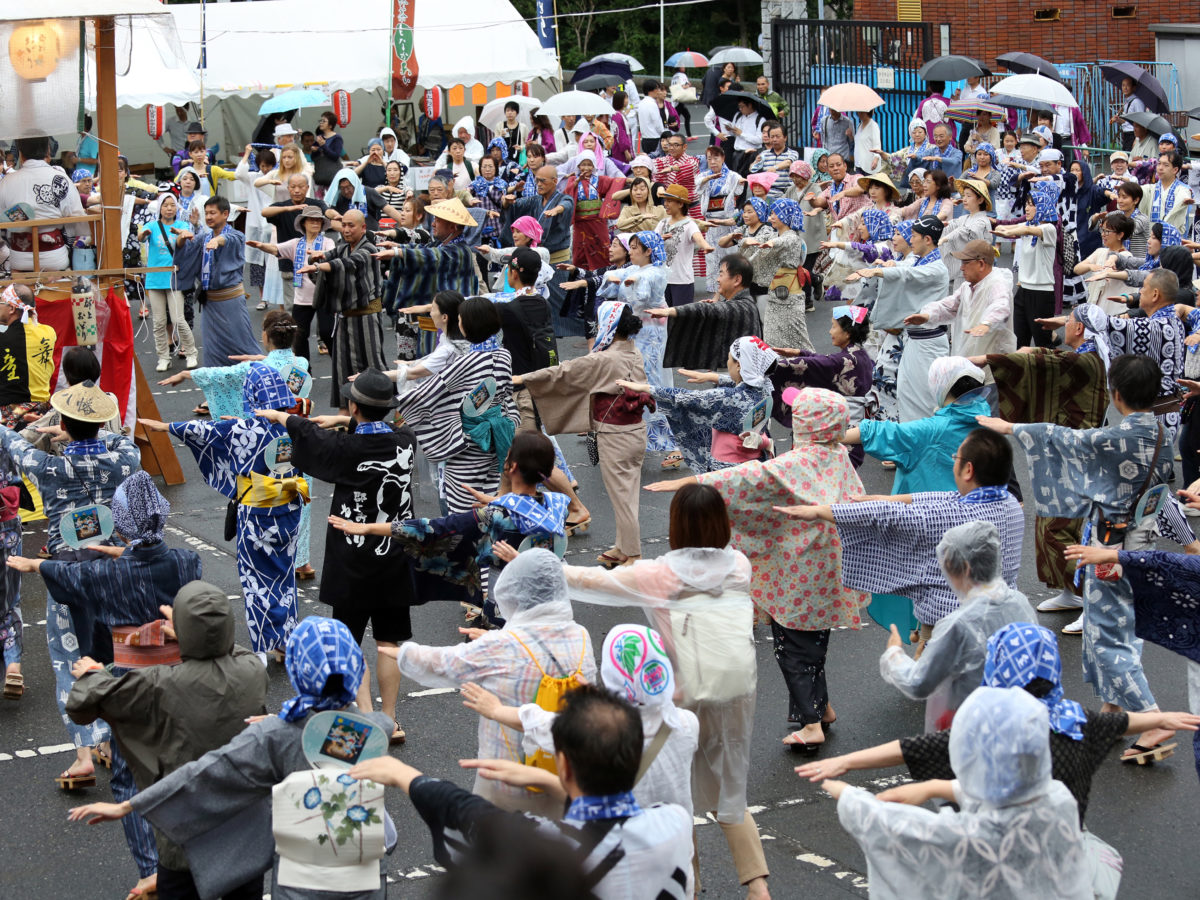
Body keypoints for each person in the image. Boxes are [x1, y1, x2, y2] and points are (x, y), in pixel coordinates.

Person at [69, 616, 396, 900]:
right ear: (356, 668)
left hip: (302, 883)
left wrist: (128, 806)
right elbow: (343, 728)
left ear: (298, 670)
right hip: (364, 875)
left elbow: (206, 774)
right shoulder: (373, 729)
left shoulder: (276, 736)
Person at [978, 355, 1199, 760]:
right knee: (1121, 630)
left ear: (1116, 395)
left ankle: (1153, 721)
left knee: (1105, 640)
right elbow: (1160, 494)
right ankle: (1114, 714)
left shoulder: (1114, 438)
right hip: (1140, 548)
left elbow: (1065, 440)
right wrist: (1186, 539)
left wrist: (1010, 427)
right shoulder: (1160, 434)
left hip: (1107, 551)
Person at [562, 485, 769, 900]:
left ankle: (687, 888)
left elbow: (591, 580)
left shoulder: (657, 574)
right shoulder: (740, 566)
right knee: (731, 785)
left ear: (675, 527)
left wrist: (534, 564)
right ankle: (757, 885)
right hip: (734, 689)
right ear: (721, 523)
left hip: (677, 696)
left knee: (676, 796)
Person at [353, 683, 694, 900]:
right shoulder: (675, 823)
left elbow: (469, 813)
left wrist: (404, 775)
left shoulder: (549, 849)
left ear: (565, 765)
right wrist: (548, 780)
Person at [59, 581, 268, 900]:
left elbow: (82, 705)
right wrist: (197, 631)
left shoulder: (159, 684)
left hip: (184, 838)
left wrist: (93, 674)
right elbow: (232, 651)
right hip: (243, 839)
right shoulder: (252, 671)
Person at [258, 369, 416, 742]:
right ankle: (391, 719)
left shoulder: (345, 449)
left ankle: (365, 717)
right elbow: (382, 429)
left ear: (353, 405)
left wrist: (283, 417)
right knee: (389, 642)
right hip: (395, 554)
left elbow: (309, 434)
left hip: (353, 559)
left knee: (350, 641)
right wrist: (347, 421)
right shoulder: (405, 442)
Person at [0, 380, 139, 790]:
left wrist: (59, 432)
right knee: (113, 656)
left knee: (68, 659)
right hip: (114, 569)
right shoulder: (124, 459)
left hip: (66, 573)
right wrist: (87, 428)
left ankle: (82, 755)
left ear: (62, 421)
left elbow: (13, 442)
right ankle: (113, 743)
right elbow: (118, 440)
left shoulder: (49, 467)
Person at [826, 687, 1091, 900]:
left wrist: (847, 795)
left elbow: (896, 826)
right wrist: (932, 787)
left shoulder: (973, 835)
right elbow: (1002, 793)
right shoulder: (1059, 798)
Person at [389, 549, 595, 814]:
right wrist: (491, 640)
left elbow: (445, 662)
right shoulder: (581, 635)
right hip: (567, 774)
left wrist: (400, 652)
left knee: (498, 845)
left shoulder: (500, 645)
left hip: (507, 776)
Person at [780, 427, 1024, 639]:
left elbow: (885, 515)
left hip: (949, 620)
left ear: (968, 470)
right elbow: (942, 498)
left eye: (955, 457)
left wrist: (821, 511)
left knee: (937, 684)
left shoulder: (948, 516)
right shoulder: (1011, 503)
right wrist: (889, 498)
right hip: (1001, 616)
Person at [141, 365, 310, 663]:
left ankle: (263, 646)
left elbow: (199, 430)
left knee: (257, 579)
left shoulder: (239, 430)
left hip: (257, 515)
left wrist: (162, 426)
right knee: (284, 575)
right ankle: (287, 639)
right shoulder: (296, 425)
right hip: (290, 509)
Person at [461, 621, 700, 818]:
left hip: (623, 843)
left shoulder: (600, 733)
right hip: (674, 846)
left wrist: (494, 709)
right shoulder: (686, 723)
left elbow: (540, 722)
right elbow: (640, 709)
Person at [970, 307, 1108, 618]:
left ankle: (1098, 598)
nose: (1065, 325)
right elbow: (1050, 357)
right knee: (1053, 524)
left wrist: (986, 360)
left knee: (1059, 529)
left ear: (1081, 329)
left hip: (1073, 453)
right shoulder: (1089, 350)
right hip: (1061, 451)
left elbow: (1048, 361)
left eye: (1069, 321)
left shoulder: (1087, 358)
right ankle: (1070, 591)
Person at [518, 302, 648, 566]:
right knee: (627, 494)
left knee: (622, 497)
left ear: (607, 326)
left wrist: (525, 379)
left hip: (615, 434)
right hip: (635, 431)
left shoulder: (603, 358)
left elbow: (564, 372)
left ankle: (632, 555)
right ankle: (622, 546)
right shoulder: (633, 352)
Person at [876, 521, 1035, 730]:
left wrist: (894, 654)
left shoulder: (958, 625)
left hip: (973, 730)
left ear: (964, 568)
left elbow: (918, 683)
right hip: (1019, 721)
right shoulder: (1019, 601)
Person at [393, 296, 519, 513]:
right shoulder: (503, 354)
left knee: (464, 507)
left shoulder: (465, 361)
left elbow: (430, 392)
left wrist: (398, 401)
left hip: (468, 444)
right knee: (491, 500)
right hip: (499, 437)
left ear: (466, 325)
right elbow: (506, 392)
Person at [619, 336, 777, 476]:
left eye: (730, 358)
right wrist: (713, 377)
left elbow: (685, 397)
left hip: (726, 471)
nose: (727, 362)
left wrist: (647, 389)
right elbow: (743, 383)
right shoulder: (765, 387)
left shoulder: (729, 397)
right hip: (756, 464)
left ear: (739, 366)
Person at [849, 214, 949, 425]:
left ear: (927, 239)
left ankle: (925, 444)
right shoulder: (918, 260)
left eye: (913, 236)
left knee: (923, 396)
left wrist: (879, 270)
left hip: (929, 341)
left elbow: (908, 275)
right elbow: (904, 268)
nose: (910, 240)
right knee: (905, 391)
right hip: (913, 339)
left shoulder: (936, 268)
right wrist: (887, 266)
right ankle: (909, 443)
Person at [596, 231, 679, 461]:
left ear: (648, 251)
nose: (630, 251)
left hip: (652, 332)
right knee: (634, 380)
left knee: (652, 382)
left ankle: (672, 442)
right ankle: (638, 438)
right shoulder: (634, 270)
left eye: (634, 247)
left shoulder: (657, 271)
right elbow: (615, 277)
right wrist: (618, 278)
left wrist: (628, 282)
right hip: (637, 332)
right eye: (630, 247)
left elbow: (641, 297)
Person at [302, 210, 388, 410]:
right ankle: (346, 417)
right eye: (344, 225)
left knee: (374, 368)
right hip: (344, 319)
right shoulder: (342, 248)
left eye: (352, 226)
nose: (346, 230)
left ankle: (388, 410)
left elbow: (348, 263)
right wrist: (317, 258)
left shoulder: (368, 249)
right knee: (343, 371)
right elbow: (329, 257)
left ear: (363, 227)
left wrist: (319, 267)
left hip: (366, 318)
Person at [769, 306, 874, 464]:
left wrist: (768, 365)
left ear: (847, 332)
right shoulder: (859, 354)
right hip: (854, 431)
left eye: (833, 326)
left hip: (842, 437)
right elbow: (825, 362)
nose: (830, 332)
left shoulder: (843, 360)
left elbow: (817, 365)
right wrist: (800, 353)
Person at [172, 195, 262, 368]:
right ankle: (218, 389)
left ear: (225, 214)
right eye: (206, 213)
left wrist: (218, 240)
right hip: (210, 303)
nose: (208, 217)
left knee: (242, 344)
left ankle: (262, 379)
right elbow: (186, 253)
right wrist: (181, 239)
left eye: (213, 213)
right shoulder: (203, 238)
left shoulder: (237, 235)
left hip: (231, 302)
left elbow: (230, 240)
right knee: (212, 349)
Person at [906, 238, 1016, 359]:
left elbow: (1000, 305)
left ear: (981, 264)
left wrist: (986, 323)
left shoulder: (996, 283)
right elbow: (949, 306)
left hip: (992, 361)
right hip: (971, 356)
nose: (962, 268)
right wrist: (927, 316)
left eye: (966, 263)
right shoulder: (967, 287)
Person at [654, 254, 763, 371]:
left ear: (737, 279)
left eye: (721, 274)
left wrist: (670, 311)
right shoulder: (742, 303)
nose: (717, 279)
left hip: (740, 376)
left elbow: (706, 310)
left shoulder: (743, 306)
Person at [506, 166, 578, 336]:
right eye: (537, 180)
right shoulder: (536, 201)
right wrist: (508, 201)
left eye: (542, 181)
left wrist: (556, 210)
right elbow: (518, 205)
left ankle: (583, 329)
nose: (538, 184)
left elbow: (567, 205)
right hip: (538, 260)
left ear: (555, 181)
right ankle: (545, 330)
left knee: (561, 300)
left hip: (557, 260)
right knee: (540, 299)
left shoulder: (563, 198)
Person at [0, 136, 89, 271]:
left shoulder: (7, 181)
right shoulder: (60, 178)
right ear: (48, 151)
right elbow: (78, 223)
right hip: (54, 258)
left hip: (19, 258)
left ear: (21, 154)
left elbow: (3, 223)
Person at [138, 194, 198, 371]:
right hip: (154, 279)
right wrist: (143, 234)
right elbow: (141, 237)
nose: (169, 208)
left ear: (177, 208)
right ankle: (163, 357)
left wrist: (181, 235)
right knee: (158, 321)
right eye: (166, 205)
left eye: (173, 205)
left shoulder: (181, 225)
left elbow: (181, 243)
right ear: (160, 208)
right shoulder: (152, 225)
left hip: (174, 278)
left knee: (178, 319)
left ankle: (191, 353)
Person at [0, 284, 57, 429]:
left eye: (1, 302)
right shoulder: (49, 333)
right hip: (43, 412)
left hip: (14, 414)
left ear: (12, 308)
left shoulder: (4, 339)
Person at [655, 183, 714, 307]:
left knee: (681, 319)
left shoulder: (689, 224)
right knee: (664, 318)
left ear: (680, 204)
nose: (665, 204)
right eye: (665, 200)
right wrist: (659, 239)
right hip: (662, 280)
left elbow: (697, 236)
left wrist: (705, 246)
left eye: (670, 201)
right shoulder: (662, 223)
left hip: (682, 280)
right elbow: (651, 241)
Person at [853, 110, 882, 175]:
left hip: (869, 164)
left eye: (861, 112)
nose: (859, 114)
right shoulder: (859, 125)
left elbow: (877, 144)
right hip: (858, 163)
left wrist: (876, 158)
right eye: (858, 112)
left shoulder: (873, 125)